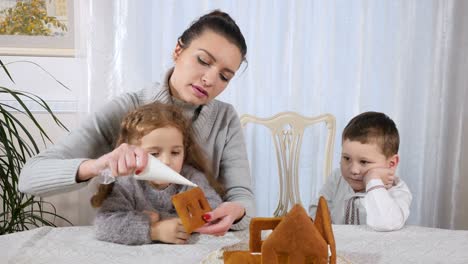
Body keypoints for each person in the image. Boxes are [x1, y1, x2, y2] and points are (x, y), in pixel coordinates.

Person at [19, 10, 254, 235]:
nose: (210, 79)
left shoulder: (225, 118)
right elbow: (30, 177)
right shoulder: (126, 109)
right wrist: (98, 165)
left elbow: (242, 196)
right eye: (203, 60)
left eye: (225, 76)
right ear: (177, 50)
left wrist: (238, 211)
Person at [91, 103, 223, 245]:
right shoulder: (127, 183)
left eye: (175, 152)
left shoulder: (191, 177)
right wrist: (154, 231)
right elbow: (102, 225)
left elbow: (214, 212)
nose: (166, 161)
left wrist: (160, 218)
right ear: (133, 153)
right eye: (154, 154)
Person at [309, 111, 412, 231]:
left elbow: (386, 223)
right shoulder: (337, 179)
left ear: (391, 164)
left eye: (364, 162)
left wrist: (373, 180)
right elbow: (316, 211)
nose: (353, 170)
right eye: (346, 158)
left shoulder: (397, 190)